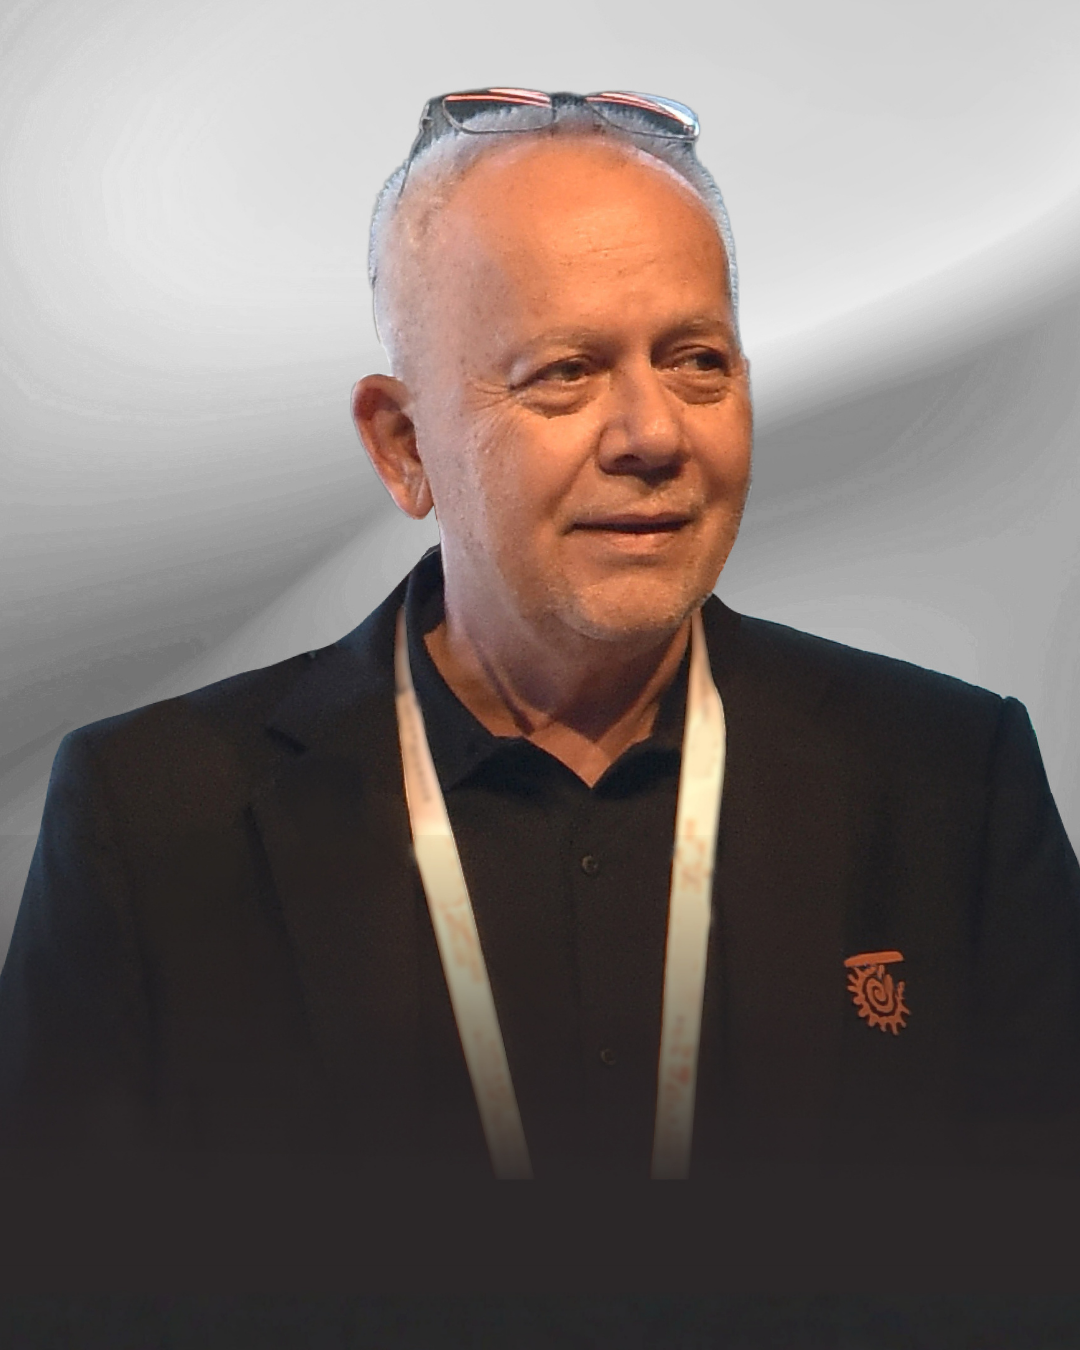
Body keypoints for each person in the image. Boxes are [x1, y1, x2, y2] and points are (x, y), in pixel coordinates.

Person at [0, 89, 1078, 1184]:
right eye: (565, 373)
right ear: (404, 445)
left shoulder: (951, 781)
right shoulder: (154, 821)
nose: (653, 433)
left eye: (697, 360)